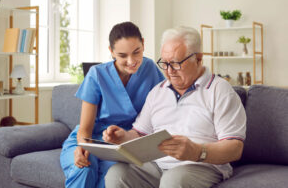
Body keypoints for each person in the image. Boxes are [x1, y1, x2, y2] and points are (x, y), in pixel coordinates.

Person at [103, 26, 246, 188]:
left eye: (176, 63)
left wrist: (198, 151)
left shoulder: (219, 90)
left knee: (173, 181)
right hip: (157, 166)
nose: (169, 71)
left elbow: (235, 148)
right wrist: (123, 137)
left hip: (201, 165)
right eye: (164, 63)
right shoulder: (158, 91)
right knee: (117, 174)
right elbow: (140, 133)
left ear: (198, 59)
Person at [60, 21, 165, 188]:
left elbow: (165, 105)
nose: (131, 61)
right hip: (90, 139)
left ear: (143, 44)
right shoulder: (97, 74)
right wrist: (82, 146)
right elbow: (84, 129)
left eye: (136, 52)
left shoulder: (150, 69)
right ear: (111, 52)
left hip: (124, 144)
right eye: (122, 55)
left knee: (113, 178)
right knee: (84, 169)